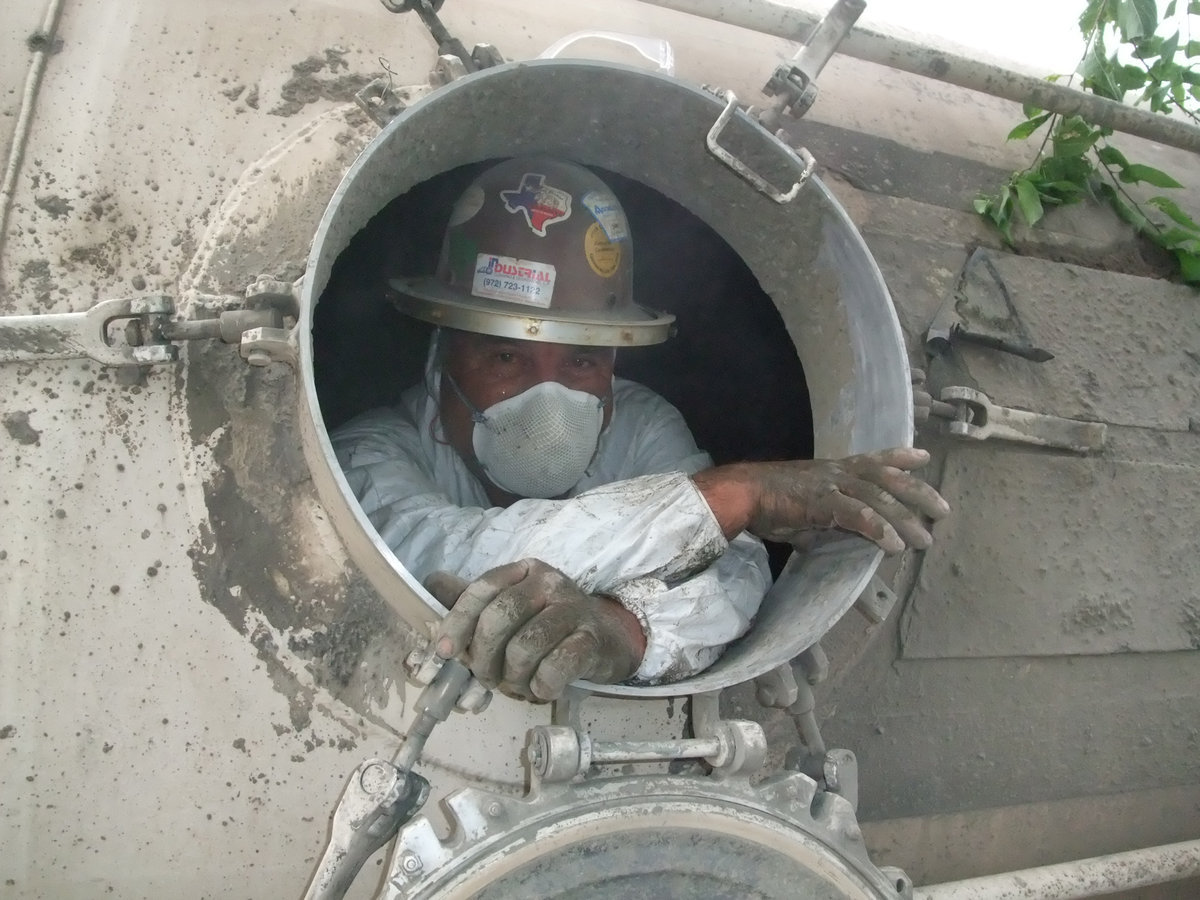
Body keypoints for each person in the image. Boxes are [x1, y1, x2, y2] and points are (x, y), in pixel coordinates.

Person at [332, 156, 948, 702]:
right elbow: (449, 557)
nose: (551, 396)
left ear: (613, 363)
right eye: (506, 356)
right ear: (443, 355)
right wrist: (735, 496)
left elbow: (733, 570)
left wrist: (623, 630)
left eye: (581, 360)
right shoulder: (370, 456)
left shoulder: (639, 421)